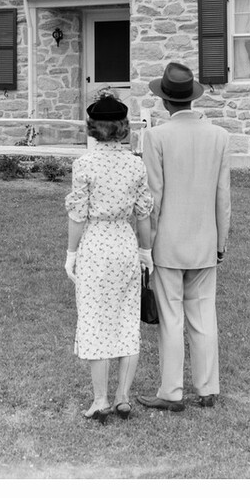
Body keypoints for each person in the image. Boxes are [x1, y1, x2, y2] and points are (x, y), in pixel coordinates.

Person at [137, 62, 231, 413]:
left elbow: (153, 198)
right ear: (191, 98)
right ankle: (208, 388)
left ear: (164, 101)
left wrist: (147, 245)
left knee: (171, 319)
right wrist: (220, 243)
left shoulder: (156, 137)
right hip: (206, 241)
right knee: (204, 316)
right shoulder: (220, 137)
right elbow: (223, 197)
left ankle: (172, 391)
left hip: (168, 245)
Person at [64, 94, 154, 424]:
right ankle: (123, 396)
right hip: (125, 244)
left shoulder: (85, 164)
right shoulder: (135, 164)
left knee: (95, 319)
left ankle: (101, 398)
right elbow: (143, 213)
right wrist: (145, 252)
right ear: (122, 128)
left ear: (92, 128)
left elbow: (78, 214)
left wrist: (71, 254)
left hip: (96, 244)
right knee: (126, 318)